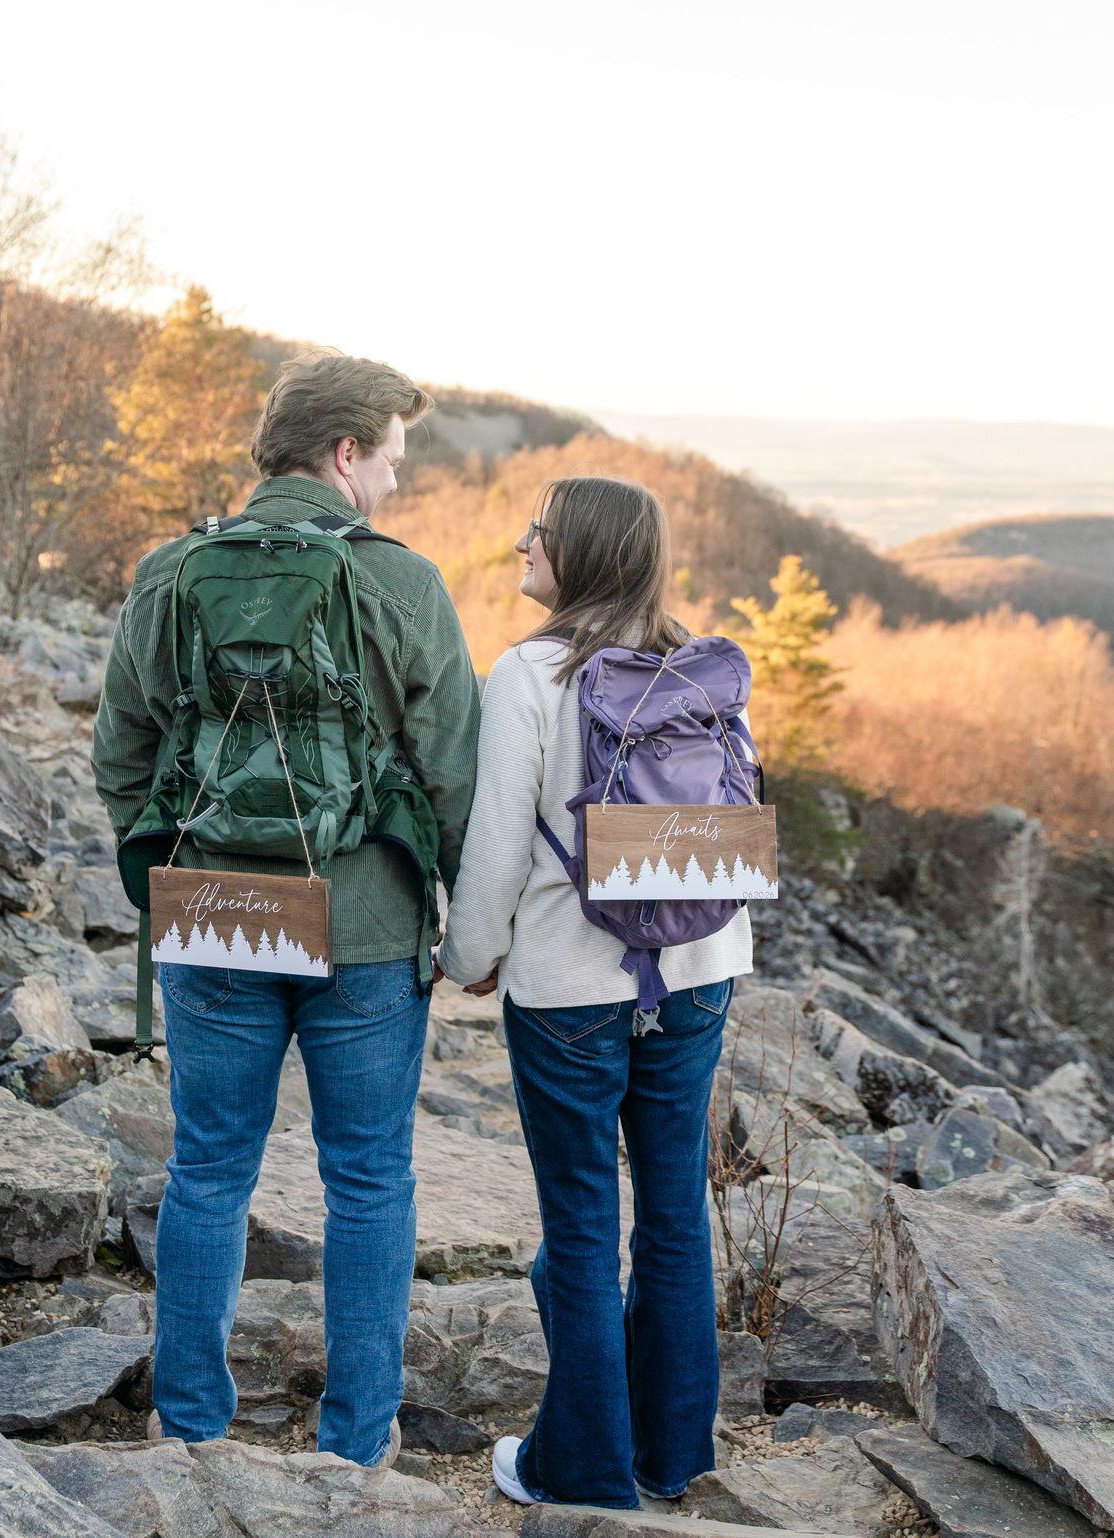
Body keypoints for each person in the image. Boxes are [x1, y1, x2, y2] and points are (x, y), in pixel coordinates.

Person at [92, 353, 480, 1466]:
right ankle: (358, 1442)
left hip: (213, 916)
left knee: (210, 1168)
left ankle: (193, 1427)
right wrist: (467, 924)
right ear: (346, 453)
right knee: (369, 1177)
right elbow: (456, 767)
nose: (397, 486)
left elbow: (120, 751)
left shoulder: (171, 572)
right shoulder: (402, 583)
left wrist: (170, 863)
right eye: (393, 460)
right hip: (363, 927)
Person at [436, 475, 754, 1510]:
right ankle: (672, 1456)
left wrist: (470, 955)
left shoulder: (530, 674)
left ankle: (581, 1470)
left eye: (538, 532)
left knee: (579, 1222)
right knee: (672, 1214)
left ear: (581, 552)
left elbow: (494, 845)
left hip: (570, 985)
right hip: (701, 967)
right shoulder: (700, 666)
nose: (519, 545)